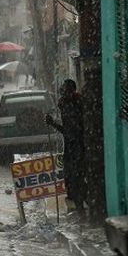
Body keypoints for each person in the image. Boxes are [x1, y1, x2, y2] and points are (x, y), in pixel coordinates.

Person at [45, 79, 85, 211]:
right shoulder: (65, 104)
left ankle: (83, 206)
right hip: (71, 145)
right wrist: (53, 123)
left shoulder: (77, 103)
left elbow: (74, 128)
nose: (63, 93)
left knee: (77, 177)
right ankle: (79, 205)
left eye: (66, 90)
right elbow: (67, 130)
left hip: (80, 144)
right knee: (70, 177)